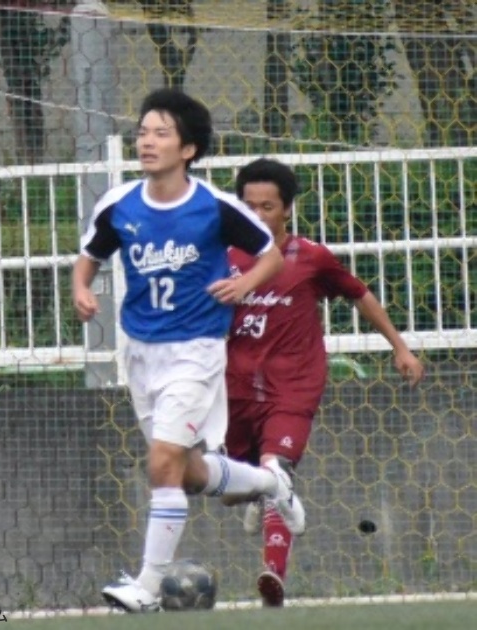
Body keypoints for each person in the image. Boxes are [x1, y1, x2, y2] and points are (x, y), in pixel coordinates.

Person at [71, 89, 305, 613]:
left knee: (161, 464)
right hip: (140, 353)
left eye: (161, 133)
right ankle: (272, 483)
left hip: (196, 351)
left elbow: (270, 257)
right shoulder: (119, 204)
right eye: (143, 131)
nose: (147, 141)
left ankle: (148, 588)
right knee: (191, 472)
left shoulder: (214, 205)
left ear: (189, 149)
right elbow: (88, 257)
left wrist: (243, 287)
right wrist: (81, 289)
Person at [224, 158, 425, 607]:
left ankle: (273, 573)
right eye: (249, 206)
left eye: (268, 206)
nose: (259, 215)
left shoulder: (310, 257)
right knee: (233, 488)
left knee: (277, 467)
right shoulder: (224, 259)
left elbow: (360, 294)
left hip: (293, 385)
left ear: (287, 209)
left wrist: (400, 347)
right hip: (234, 386)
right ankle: (256, 490)